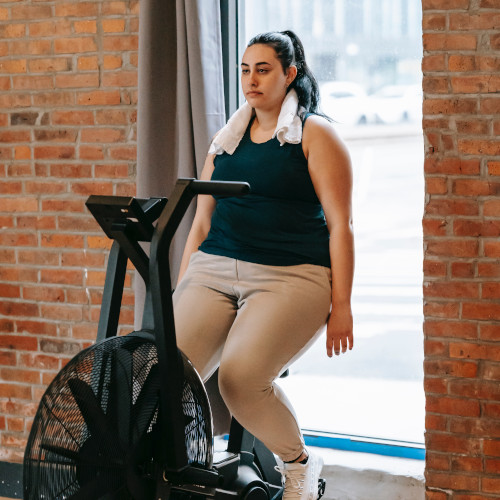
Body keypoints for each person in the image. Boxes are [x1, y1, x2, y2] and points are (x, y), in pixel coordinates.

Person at [173, 30, 354, 500]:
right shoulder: (226, 140)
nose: (251, 80)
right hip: (214, 269)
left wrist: (343, 305)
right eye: (245, 70)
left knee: (241, 380)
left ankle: (299, 464)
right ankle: (179, 473)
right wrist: (181, 284)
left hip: (291, 276)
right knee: (163, 371)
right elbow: (201, 222)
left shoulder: (316, 135)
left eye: (264, 69)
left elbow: (341, 226)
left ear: (290, 74)